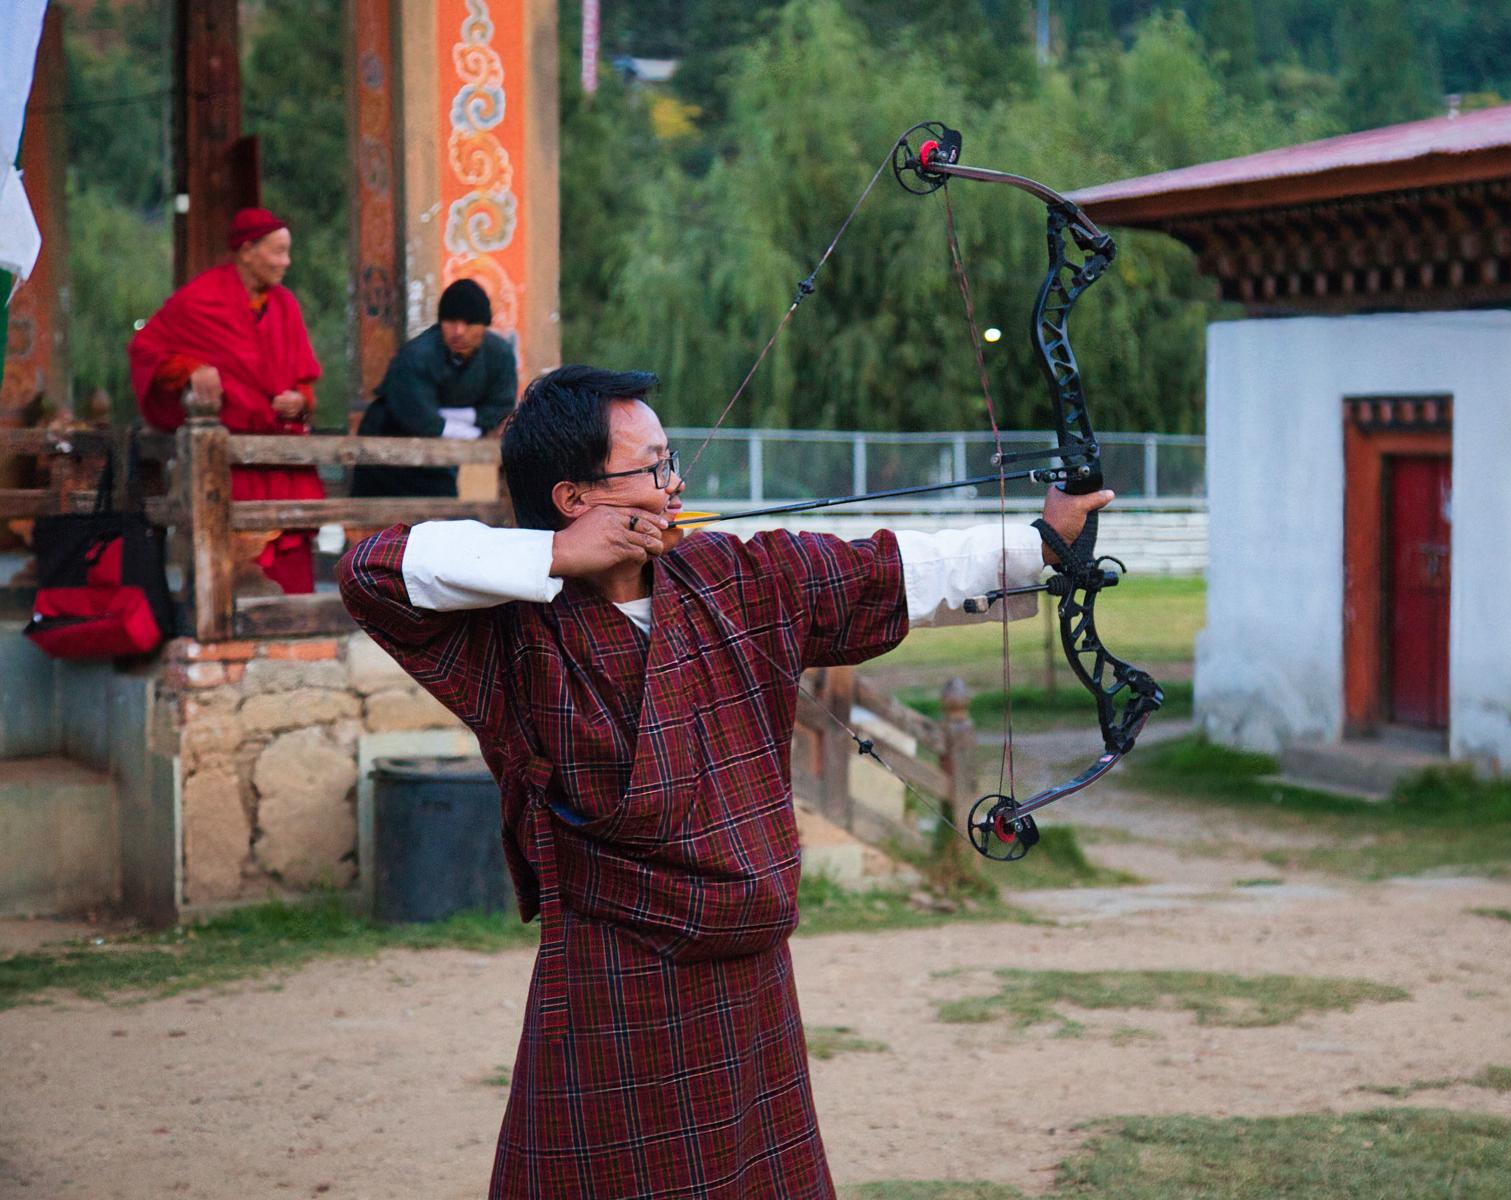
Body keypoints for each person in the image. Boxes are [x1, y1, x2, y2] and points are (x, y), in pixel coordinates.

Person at [338, 365, 1101, 1199]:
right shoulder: (512, 626)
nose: (677, 484)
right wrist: (557, 556)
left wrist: (1044, 539)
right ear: (572, 497)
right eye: (654, 466)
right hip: (614, 977)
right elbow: (371, 571)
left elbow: (888, 571)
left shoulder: (736, 576)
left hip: (749, 970)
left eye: (672, 461)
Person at [128, 207, 323, 594]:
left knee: (291, 565)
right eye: (278, 251)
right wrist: (191, 368)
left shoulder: (285, 305)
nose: (286, 262)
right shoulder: (202, 297)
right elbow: (145, 349)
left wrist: (300, 400)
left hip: (282, 458)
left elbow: (306, 383)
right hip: (229, 462)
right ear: (247, 250)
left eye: (287, 252)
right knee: (229, 567)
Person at [349, 279, 516, 498]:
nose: (458, 331)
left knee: (441, 511)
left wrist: (454, 418)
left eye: (469, 323)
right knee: (375, 518)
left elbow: (500, 406)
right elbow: (420, 419)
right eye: (451, 322)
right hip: (389, 446)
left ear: (484, 326)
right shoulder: (416, 356)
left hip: (439, 460)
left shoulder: (500, 355)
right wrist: (474, 432)